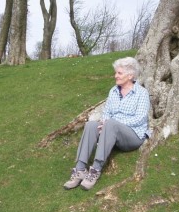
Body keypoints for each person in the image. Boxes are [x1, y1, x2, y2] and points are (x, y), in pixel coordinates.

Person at [63, 57, 150, 190]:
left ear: (130, 75)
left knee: (111, 124)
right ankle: (80, 169)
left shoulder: (142, 93)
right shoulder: (113, 91)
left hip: (133, 135)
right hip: (111, 131)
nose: (115, 76)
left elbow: (140, 118)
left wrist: (111, 123)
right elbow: (106, 113)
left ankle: (95, 170)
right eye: (116, 72)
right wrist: (104, 123)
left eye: (119, 73)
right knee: (91, 125)